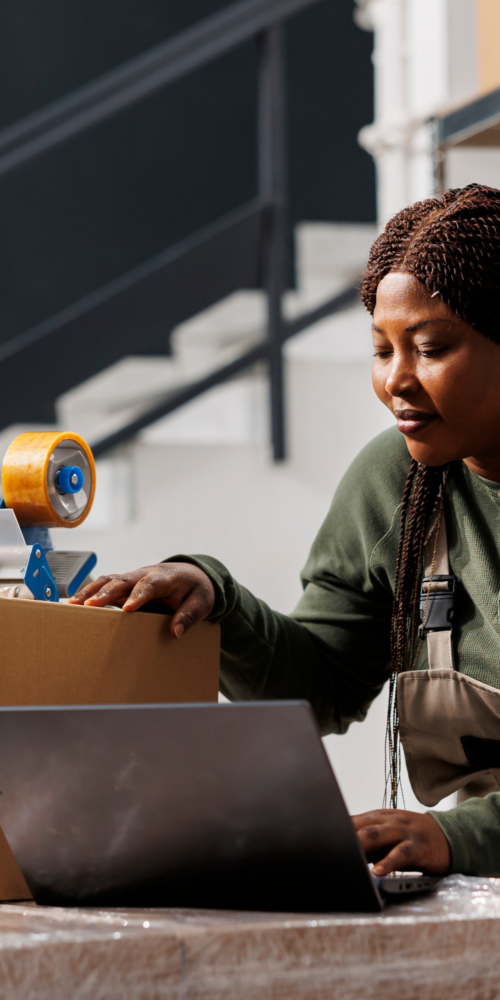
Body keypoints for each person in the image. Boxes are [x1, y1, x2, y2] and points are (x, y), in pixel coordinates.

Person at [71, 183, 500, 880]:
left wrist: (459, 838)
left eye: (430, 347)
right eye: (382, 350)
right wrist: (217, 597)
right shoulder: (397, 480)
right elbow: (321, 685)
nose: (398, 381)